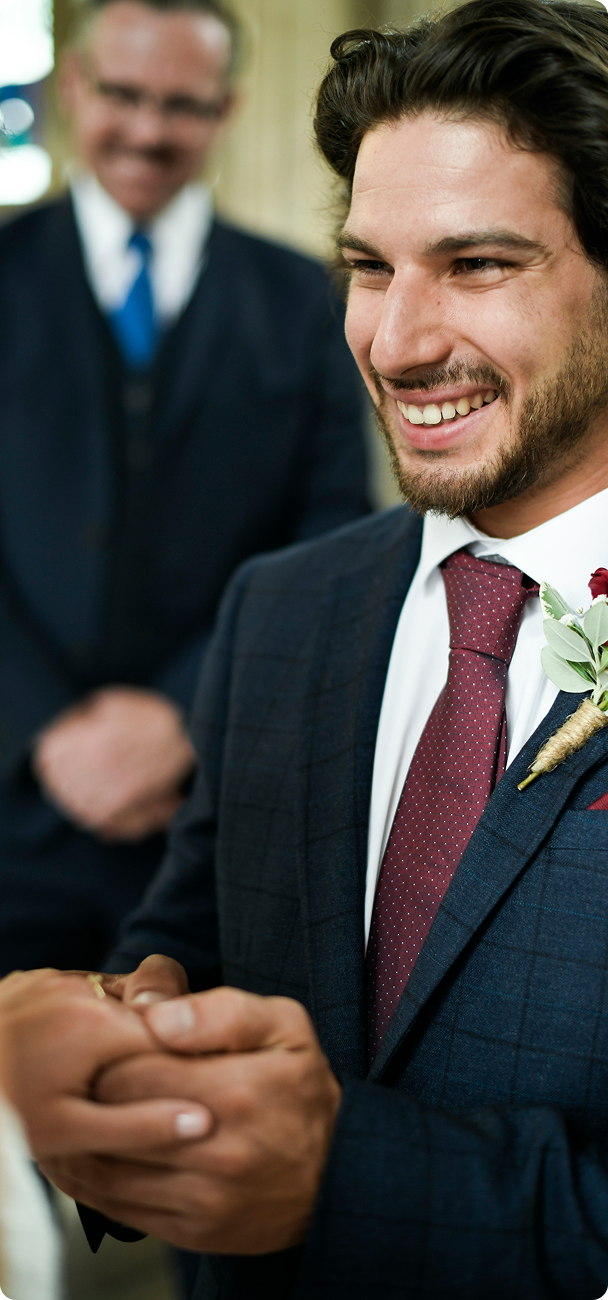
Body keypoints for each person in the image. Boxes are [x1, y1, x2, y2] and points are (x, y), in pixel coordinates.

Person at [26, 0, 608, 1294]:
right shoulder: (283, 609)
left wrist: (344, 1177)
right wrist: (125, 1034)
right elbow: (191, 929)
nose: (395, 342)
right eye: (369, 265)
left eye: (479, 265)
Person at [0, 0, 369, 977]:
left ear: (227, 108)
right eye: (122, 94)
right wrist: (44, 728)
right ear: (74, 87)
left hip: (208, 820)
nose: (149, 130)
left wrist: (182, 717)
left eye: (182, 104)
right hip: (11, 803)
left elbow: (331, 529)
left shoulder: (307, 299)